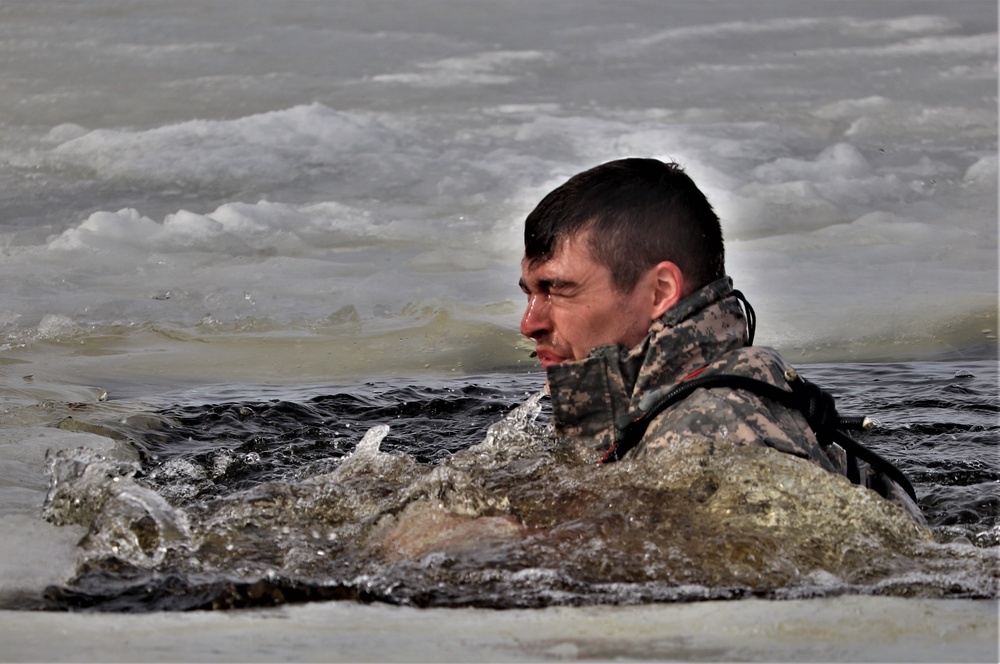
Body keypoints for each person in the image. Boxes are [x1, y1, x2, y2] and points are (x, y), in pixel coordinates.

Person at [518, 157, 923, 523]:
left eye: (557, 289)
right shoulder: (686, 407)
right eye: (529, 293)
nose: (529, 322)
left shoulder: (712, 427)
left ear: (660, 291)